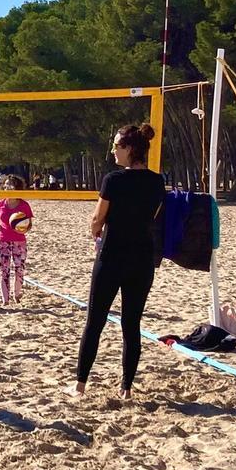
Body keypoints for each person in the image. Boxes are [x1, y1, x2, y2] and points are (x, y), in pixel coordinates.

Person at [72, 124, 165, 400]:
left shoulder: (113, 180)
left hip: (112, 256)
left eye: (117, 146)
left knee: (95, 321)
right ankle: (126, 388)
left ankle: (79, 386)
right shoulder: (157, 181)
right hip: (142, 259)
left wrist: (95, 232)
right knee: (131, 325)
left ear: (130, 149)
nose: (113, 150)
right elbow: (153, 216)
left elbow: (97, 219)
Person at [0, 175, 32, 307]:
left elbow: (29, 225)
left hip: (19, 241)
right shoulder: (1, 204)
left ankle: (17, 294)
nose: (7, 187)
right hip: (3, 240)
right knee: (4, 270)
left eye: (10, 184)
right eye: (6, 185)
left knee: (19, 268)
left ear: (17, 187)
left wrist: (22, 227)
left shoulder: (24, 205)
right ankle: (5, 299)